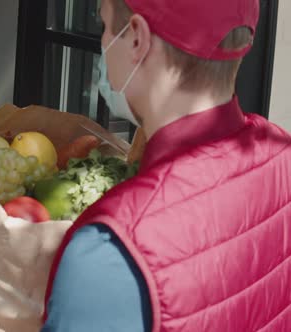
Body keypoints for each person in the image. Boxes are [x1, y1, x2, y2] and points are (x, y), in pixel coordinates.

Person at [43, 0, 291, 331]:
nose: (103, 43)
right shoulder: (283, 156)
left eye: (104, 26)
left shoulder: (109, 253)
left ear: (136, 39)